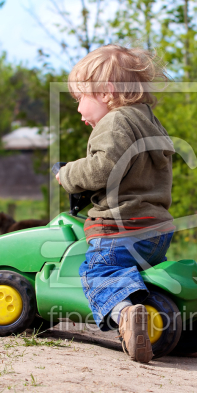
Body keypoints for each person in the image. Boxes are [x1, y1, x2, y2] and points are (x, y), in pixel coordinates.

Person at [56, 44, 175, 363]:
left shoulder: (114, 122)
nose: (79, 109)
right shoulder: (148, 120)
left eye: (81, 98)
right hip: (157, 232)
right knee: (132, 272)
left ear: (107, 92)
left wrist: (67, 174)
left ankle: (124, 312)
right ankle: (156, 311)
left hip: (119, 230)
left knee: (99, 272)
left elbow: (102, 166)